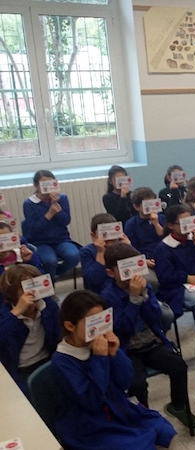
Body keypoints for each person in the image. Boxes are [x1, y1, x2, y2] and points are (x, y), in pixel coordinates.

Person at [50, 290, 176, 449]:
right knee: (140, 445)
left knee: (165, 431)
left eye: (102, 320)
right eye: (92, 323)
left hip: (118, 408)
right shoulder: (62, 360)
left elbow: (126, 381)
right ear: (70, 326)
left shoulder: (98, 343)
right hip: (89, 425)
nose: (100, 329)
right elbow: (92, 401)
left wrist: (115, 353)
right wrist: (100, 358)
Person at [101, 243, 195, 430]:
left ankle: (178, 405)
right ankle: (143, 416)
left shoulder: (145, 286)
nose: (132, 273)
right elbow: (121, 329)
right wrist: (134, 299)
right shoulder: (107, 297)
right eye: (125, 268)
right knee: (137, 384)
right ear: (111, 273)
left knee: (178, 365)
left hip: (150, 342)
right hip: (127, 348)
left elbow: (156, 318)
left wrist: (144, 295)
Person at [0, 264, 59, 395]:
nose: (33, 291)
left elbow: (58, 336)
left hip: (48, 361)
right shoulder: (5, 315)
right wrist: (16, 313)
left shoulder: (48, 306)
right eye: (26, 287)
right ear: (12, 292)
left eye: (36, 284)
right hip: (20, 370)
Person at [153, 204, 195, 317]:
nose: (189, 225)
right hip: (178, 287)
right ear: (171, 225)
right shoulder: (163, 248)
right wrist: (187, 277)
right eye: (183, 222)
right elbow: (165, 276)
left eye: (190, 220)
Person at [22, 170, 80, 280]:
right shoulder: (29, 204)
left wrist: (55, 206)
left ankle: (53, 275)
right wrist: (50, 213)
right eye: (44, 183)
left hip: (61, 239)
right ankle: (50, 287)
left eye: (50, 183)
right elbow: (33, 230)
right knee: (49, 261)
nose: (47, 187)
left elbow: (66, 221)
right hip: (40, 242)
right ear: (36, 185)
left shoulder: (62, 198)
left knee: (74, 256)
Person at [80, 213, 130, 294]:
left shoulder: (121, 246)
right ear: (93, 235)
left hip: (122, 288)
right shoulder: (87, 251)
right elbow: (94, 280)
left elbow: (134, 270)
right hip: (100, 291)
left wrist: (128, 248)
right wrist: (100, 252)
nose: (109, 237)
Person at [124, 187, 166, 260]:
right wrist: (145, 261)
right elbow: (132, 248)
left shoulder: (162, 218)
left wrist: (156, 224)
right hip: (145, 258)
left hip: (164, 255)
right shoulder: (131, 224)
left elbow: (166, 238)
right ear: (136, 207)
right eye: (147, 204)